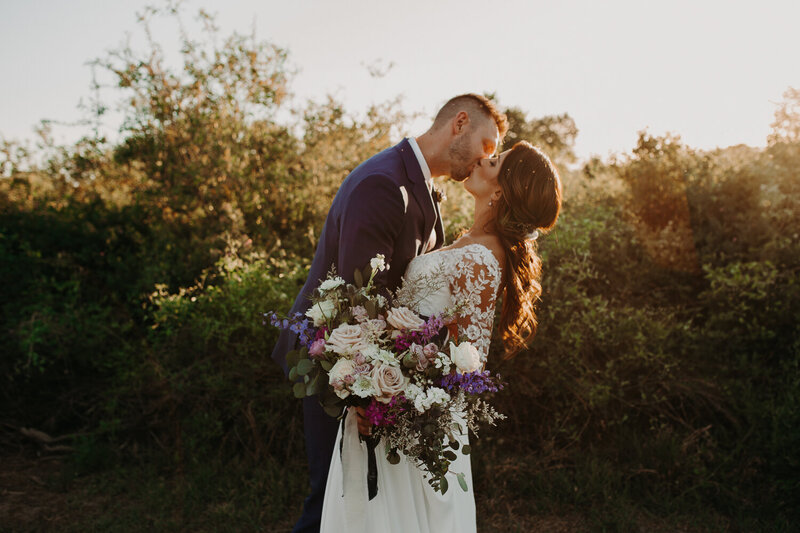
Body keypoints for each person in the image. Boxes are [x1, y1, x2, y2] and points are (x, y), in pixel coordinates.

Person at [271, 94, 508, 533]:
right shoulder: (384, 183)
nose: (485, 158)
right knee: (334, 502)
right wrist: (364, 392)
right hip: (334, 366)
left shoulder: (422, 189)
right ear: (460, 123)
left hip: (377, 376)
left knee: (362, 508)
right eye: (488, 145)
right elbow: (353, 299)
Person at [320, 140, 563, 532]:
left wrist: (394, 399)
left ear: (500, 190)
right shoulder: (466, 243)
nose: (484, 158)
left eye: (495, 160)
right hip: (390, 401)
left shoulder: (483, 258)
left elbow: (468, 363)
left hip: (412, 420)